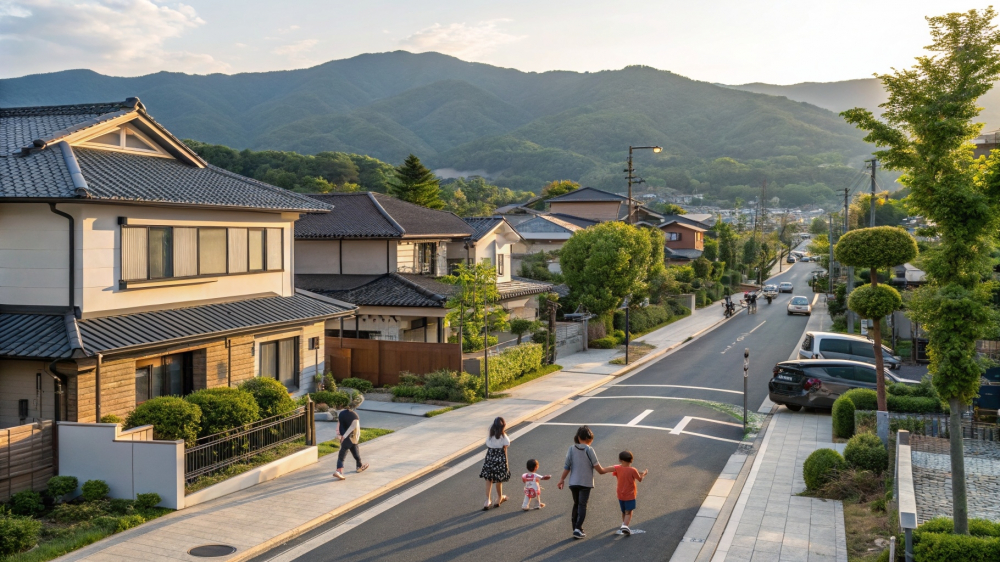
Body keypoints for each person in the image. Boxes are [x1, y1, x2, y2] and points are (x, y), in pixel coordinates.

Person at [557, 425, 613, 539]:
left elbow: (567, 467)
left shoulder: (571, 449)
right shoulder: (589, 449)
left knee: (576, 504)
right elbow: (600, 470)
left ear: (578, 437)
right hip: (585, 483)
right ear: (590, 439)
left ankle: (576, 528)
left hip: (573, 482)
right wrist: (613, 468)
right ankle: (578, 529)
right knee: (582, 505)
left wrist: (562, 479)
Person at [333, 392, 368, 480]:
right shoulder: (354, 415)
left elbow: (339, 424)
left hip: (349, 439)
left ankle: (359, 466)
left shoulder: (341, 414)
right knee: (342, 455)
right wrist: (344, 436)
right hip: (350, 438)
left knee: (356, 453)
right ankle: (339, 471)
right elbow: (353, 427)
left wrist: (339, 435)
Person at [612, 451, 648, 535]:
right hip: (630, 494)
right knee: (629, 511)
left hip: (620, 494)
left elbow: (620, 472)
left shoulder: (618, 468)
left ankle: (624, 523)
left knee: (624, 511)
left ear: (620, 460)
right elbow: (639, 479)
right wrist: (644, 474)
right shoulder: (633, 470)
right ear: (631, 460)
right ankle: (625, 525)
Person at [479, 417, 511, 510]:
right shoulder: (503, 435)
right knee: (499, 479)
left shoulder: (490, 434)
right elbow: (507, 443)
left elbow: (487, 443)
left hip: (490, 456)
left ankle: (487, 500)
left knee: (489, 478)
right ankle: (499, 498)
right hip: (500, 456)